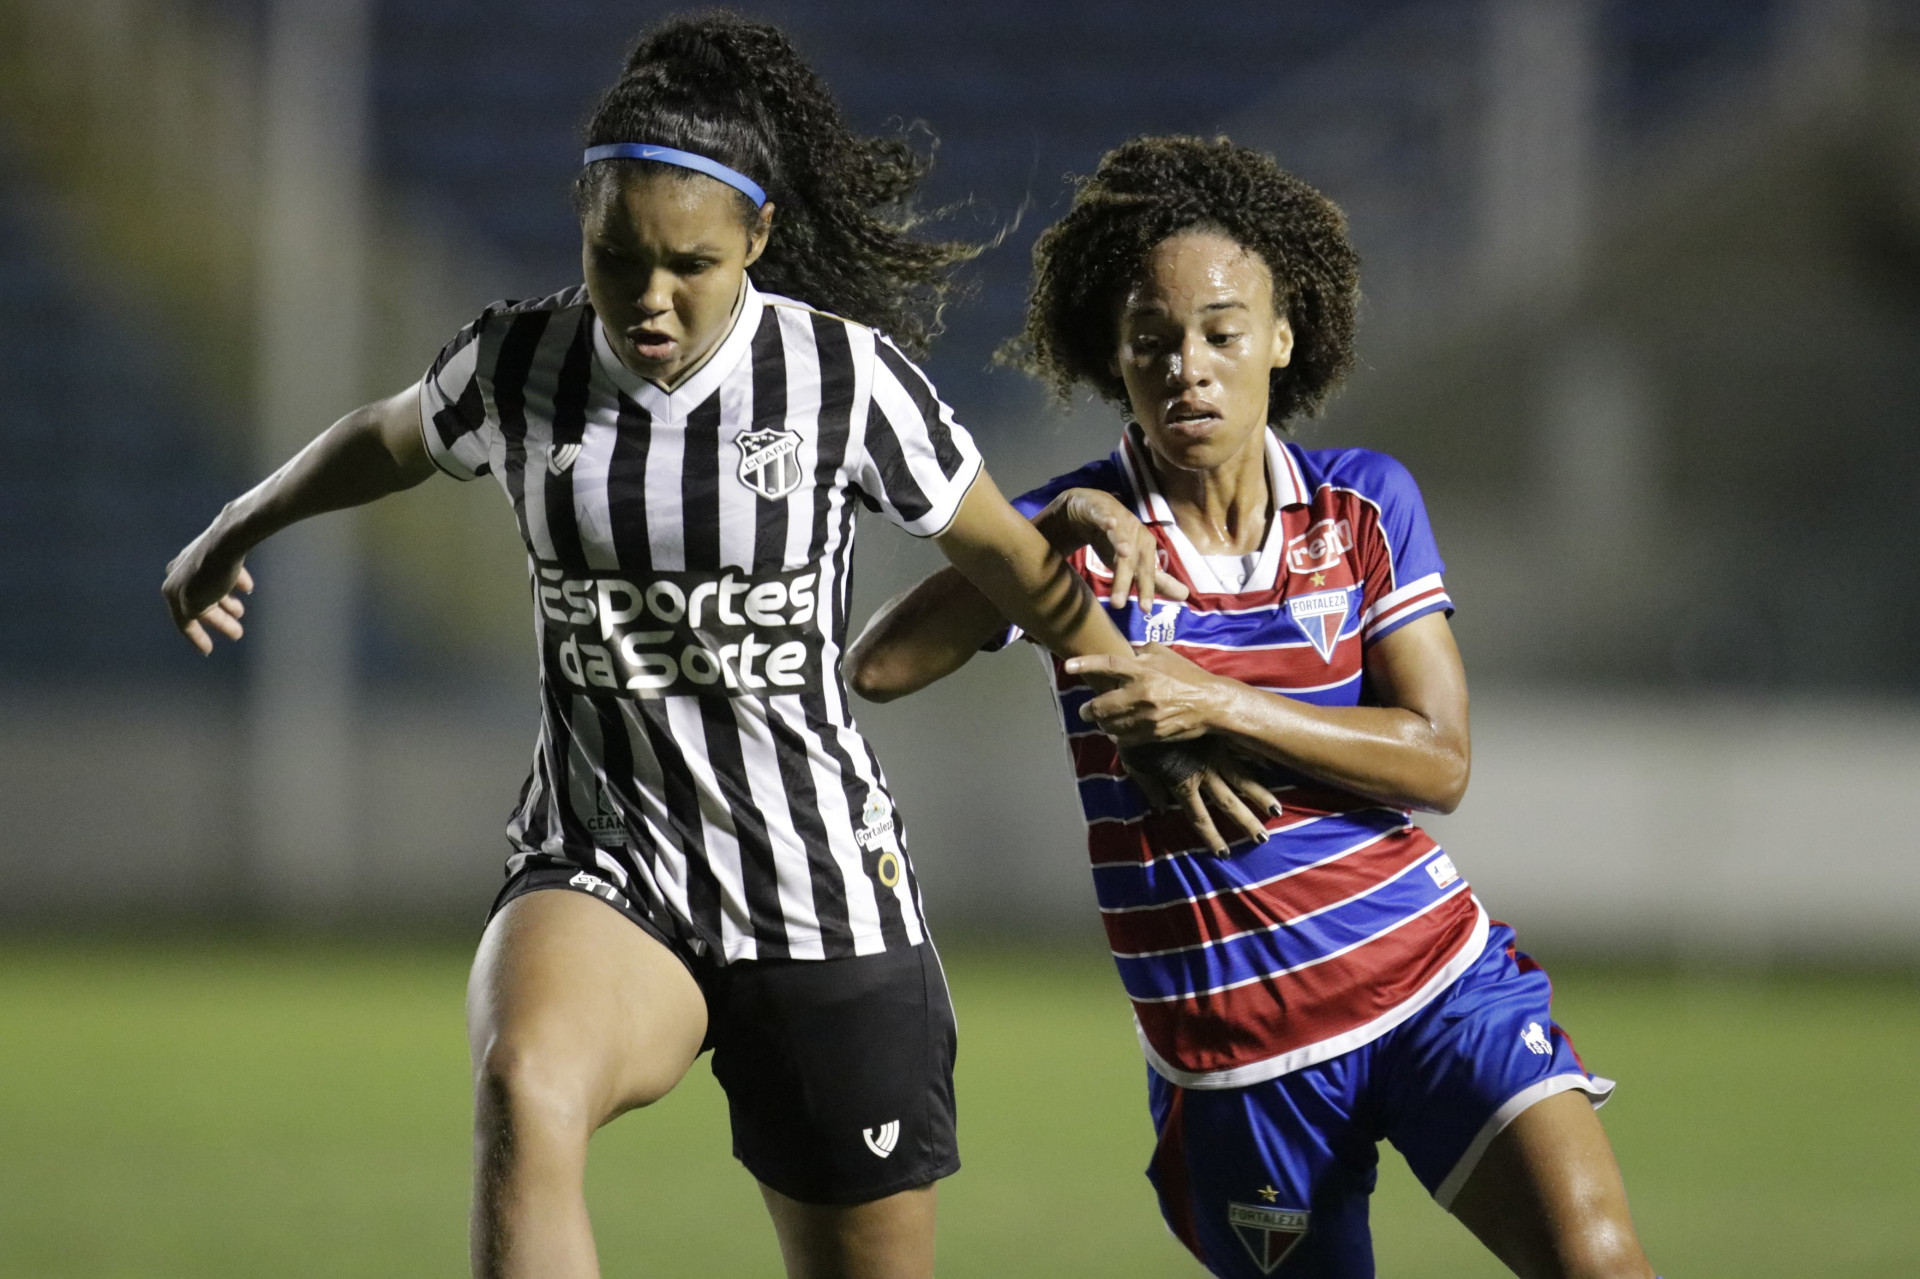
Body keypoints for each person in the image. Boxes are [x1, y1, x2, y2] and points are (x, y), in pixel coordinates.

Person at [160, 17, 1242, 1279]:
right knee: (526, 1079)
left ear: (759, 241)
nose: (651, 298)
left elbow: (1002, 552)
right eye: (618, 257)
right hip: (604, 861)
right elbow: (388, 434)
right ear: (583, 223)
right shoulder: (515, 365)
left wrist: (1138, 710)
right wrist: (237, 526)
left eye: (691, 263)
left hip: (818, 887)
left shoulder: (845, 383)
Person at [846, 136, 1658, 1279]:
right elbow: (881, 665)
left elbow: (1440, 760)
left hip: (1434, 981)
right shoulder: (1075, 535)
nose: (1189, 365)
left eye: (1221, 333)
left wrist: (1211, 698)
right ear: (1111, 356)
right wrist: (1049, 536)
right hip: (1237, 1051)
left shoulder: (1365, 506)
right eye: (1152, 340)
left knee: (1604, 1263)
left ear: (1282, 338)